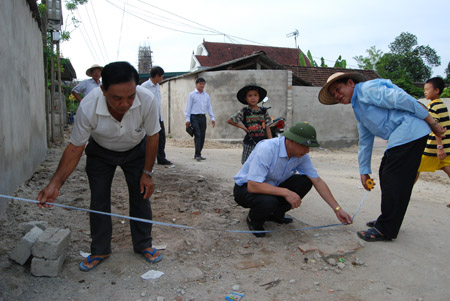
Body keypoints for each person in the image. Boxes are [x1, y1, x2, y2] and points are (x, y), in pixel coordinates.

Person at [37, 61, 162, 271]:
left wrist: (147, 173)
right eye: (117, 98)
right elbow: (75, 147)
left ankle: (143, 244)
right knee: (99, 198)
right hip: (100, 153)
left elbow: (152, 137)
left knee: (141, 195)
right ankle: (100, 248)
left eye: (130, 97)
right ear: (102, 90)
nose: (125, 104)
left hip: (135, 151)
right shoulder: (88, 105)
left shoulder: (147, 99)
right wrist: (55, 184)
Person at [318, 72, 447, 242]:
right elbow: (365, 140)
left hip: (410, 130)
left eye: (337, 88)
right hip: (405, 134)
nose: (337, 95)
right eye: (333, 93)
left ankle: (386, 228)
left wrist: (432, 122)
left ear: (350, 83)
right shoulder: (359, 108)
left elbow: (403, 99)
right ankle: (389, 221)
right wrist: (364, 171)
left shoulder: (367, 89)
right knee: (391, 177)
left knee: (392, 178)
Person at [233, 122, 353, 237]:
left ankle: (275, 215)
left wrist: (337, 209)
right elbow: (253, 185)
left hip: (271, 186)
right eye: (304, 146)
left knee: (305, 181)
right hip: (245, 189)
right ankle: (254, 220)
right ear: (291, 141)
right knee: (268, 201)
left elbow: (317, 181)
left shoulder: (301, 155)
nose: (307, 151)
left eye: (309, 147)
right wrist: (286, 192)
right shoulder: (267, 148)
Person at [416, 77, 450, 206]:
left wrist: (439, 146)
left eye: (427, 89)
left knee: (415, 167)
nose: (425, 92)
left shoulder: (434, 107)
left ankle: (405, 192)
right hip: (444, 146)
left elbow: (437, 127)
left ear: (436, 90)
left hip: (434, 147)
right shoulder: (441, 105)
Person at [227, 84, 272, 164]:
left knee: (262, 162)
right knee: (247, 163)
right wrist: (243, 128)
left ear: (259, 97)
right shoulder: (244, 111)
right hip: (250, 142)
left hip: (262, 142)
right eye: (249, 96)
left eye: (255, 95)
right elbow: (230, 120)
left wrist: (271, 142)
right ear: (245, 98)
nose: (253, 98)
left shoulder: (264, 111)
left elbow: (267, 126)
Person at [141, 66, 173, 165]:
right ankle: (144, 158)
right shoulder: (144, 86)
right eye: (161, 76)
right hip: (148, 117)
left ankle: (161, 158)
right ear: (156, 76)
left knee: (162, 138)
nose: (162, 79)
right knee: (147, 139)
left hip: (158, 117)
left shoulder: (158, 86)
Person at [184, 78, 215, 161]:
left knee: (202, 135)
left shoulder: (206, 95)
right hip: (194, 117)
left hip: (202, 117)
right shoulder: (192, 95)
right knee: (197, 135)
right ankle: (197, 154)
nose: (202, 85)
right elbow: (188, 107)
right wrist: (187, 120)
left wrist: (212, 117)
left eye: (203, 84)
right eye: (200, 83)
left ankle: (198, 153)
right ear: (196, 84)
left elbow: (209, 107)